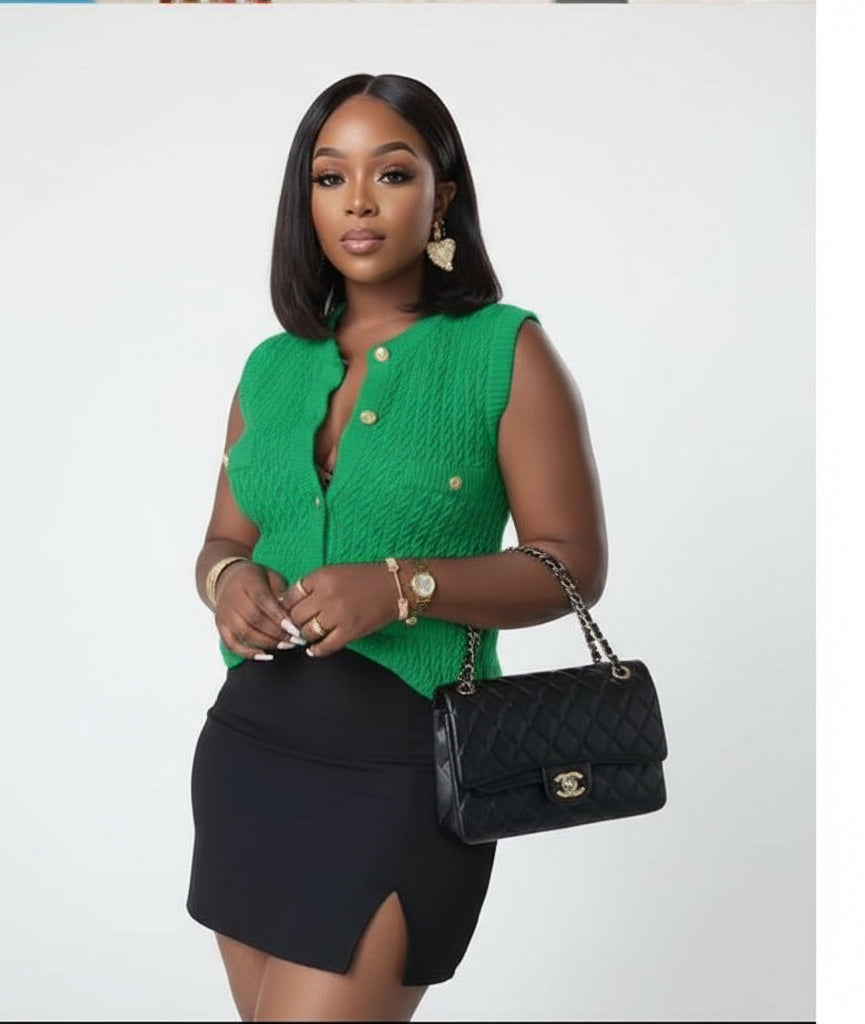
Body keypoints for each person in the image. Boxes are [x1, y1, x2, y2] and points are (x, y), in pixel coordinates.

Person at [186, 72, 608, 1022]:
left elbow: (571, 564)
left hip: (405, 770)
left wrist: (402, 586)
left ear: (441, 195)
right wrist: (228, 580)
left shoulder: (505, 350)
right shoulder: (273, 364)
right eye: (331, 179)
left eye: (393, 172)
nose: (361, 202)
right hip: (251, 754)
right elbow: (222, 536)